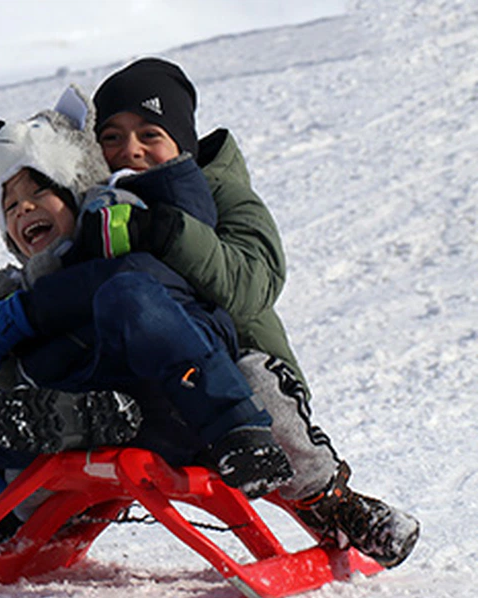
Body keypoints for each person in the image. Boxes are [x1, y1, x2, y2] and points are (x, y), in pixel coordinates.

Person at [63, 57, 418, 567]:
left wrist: (166, 231)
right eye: (112, 136)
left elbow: (253, 285)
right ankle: (41, 509)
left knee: (257, 386)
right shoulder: (94, 208)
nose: (130, 150)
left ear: (183, 143)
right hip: (142, 381)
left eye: (150, 133)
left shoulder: (222, 192)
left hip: (234, 366)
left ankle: (333, 504)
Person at [0, 85, 293, 541]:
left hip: (175, 409)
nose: (26, 209)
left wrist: (31, 311)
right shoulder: (19, 292)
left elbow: (146, 297)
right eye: (10, 206)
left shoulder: (123, 229)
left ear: (78, 191)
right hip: (85, 424)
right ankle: (32, 479)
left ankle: (240, 431)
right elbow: (17, 387)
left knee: (127, 293)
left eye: (40, 191)